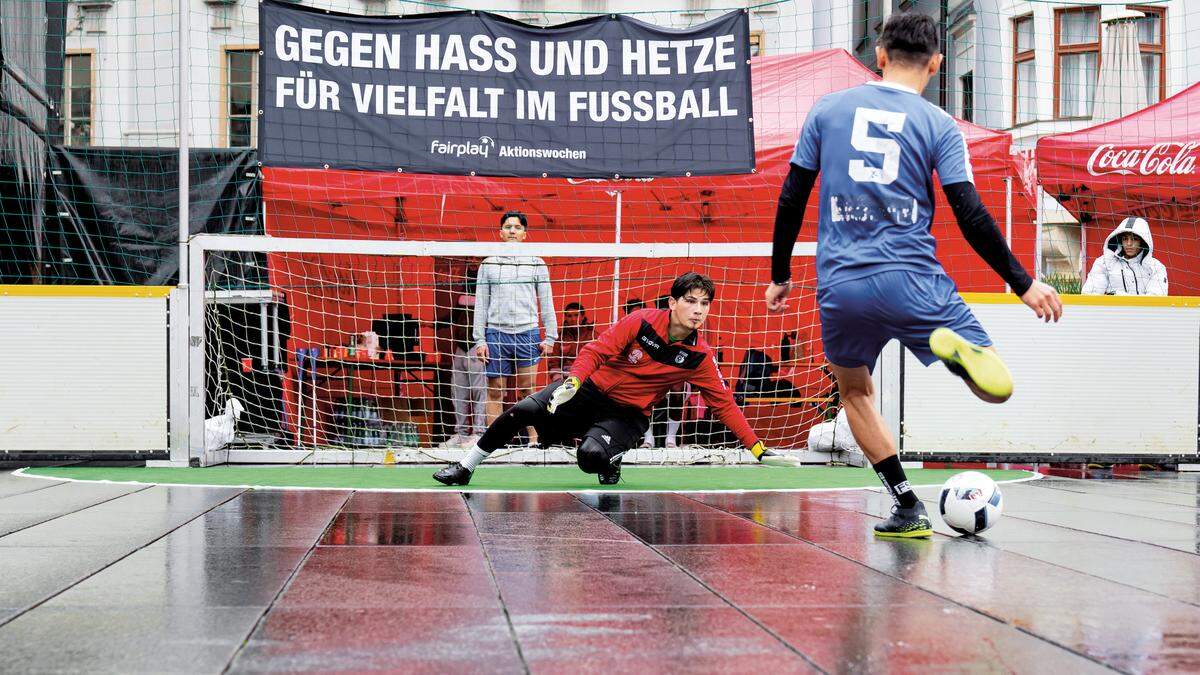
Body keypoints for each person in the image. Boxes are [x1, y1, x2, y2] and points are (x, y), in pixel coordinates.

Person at [765, 12, 1062, 538]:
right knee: (997, 391)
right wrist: (1023, 283)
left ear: (878, 56)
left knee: (854, 393)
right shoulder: (939, 125)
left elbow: (792, 196)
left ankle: (907, 506)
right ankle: (954, 354)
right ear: (936, 63)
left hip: (842, 282)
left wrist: (780, 273)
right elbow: (970, 214)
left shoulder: (827, 109)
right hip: (913, 277)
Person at [435, 272, 785, 486]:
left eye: (705, 303)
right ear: (672, 302)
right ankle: (464, 468)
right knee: (521, 410)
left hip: (626, 415)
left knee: (589, 458)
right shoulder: (640, 321)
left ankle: (609, 454)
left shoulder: (699, 357)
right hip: (587, 390)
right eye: (691, 301)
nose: (699, 310)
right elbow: (595, 351)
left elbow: (723, 404)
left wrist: (757, 448)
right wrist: (573, 380)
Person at [474, 210, 558, 446]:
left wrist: (550, 336)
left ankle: (534, 439)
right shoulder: (489, 263)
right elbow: (481, 304)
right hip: (495, 334)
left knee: (527, 391)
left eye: (518, 227)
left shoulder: (536, 263)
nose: (512, 230)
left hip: (527, 332)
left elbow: (547, 301)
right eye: (508, 227)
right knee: (495, 391)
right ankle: (492, 444)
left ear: (524, 234)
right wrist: (480, 340)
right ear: (500, 233)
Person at [437, 297, 486, 448]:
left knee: (480, 393)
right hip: (460, 347)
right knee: (458, 393)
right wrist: (434, 323)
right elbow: (455, 314)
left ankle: (479, 434)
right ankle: (461, 434)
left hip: (478, 347)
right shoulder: (462, 294)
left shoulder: (487, 290)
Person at [1081, 217, 1168, 296]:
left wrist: (1115, 295)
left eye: (1134, 239)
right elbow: (1089, 295)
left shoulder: (1156, 267)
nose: (1129, 244)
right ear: (1120, 240)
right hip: (1110, 313)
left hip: (1144, 314)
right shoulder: (1104, 262)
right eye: (1125, 239)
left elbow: (1155, 301)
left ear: (1143, 241)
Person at [550, 302, 595, 381]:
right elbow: (554, 362)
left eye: (576, 315)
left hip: (588, 379)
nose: (573, 319)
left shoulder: (593, 336)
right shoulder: (560, 337)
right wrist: (558, 381)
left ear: (583, 316)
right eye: (569, 316)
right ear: (565, 318)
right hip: (565, 380)